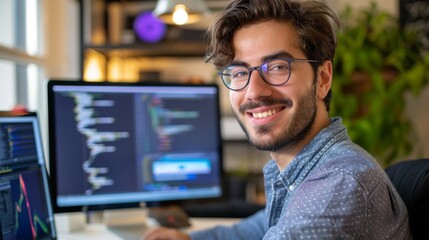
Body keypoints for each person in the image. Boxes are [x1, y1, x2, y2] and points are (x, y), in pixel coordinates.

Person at [144, 0, 412, 239]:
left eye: (277, 67)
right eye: (238, 72)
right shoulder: (306, 170)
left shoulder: (338, 183)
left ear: (323, 79)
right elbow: (259, 228)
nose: (255, 91)